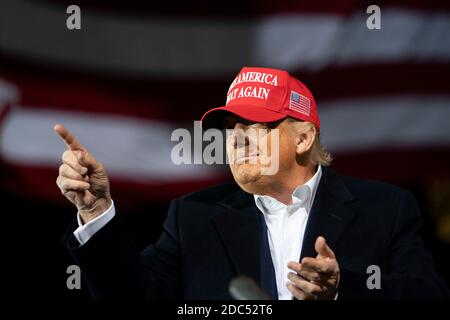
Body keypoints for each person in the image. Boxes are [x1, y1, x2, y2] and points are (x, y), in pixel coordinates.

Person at [56, 67, 448, 299]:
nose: (237, 138)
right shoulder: (193, 217)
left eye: (255, 126)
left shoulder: (386, 208)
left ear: (304, 138)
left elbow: (428, 294)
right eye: (231, 128)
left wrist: (344, 288)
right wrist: (94, 210)